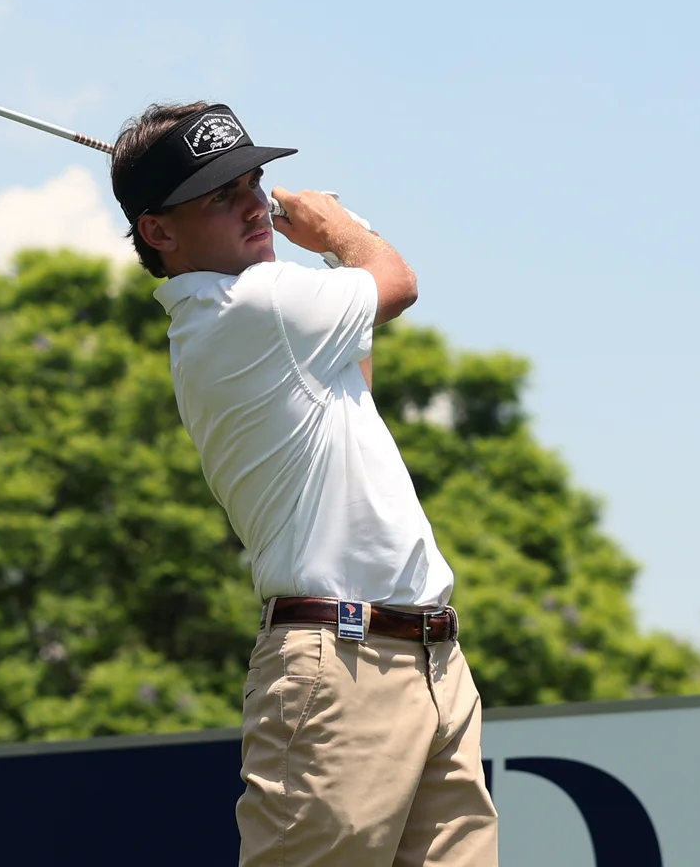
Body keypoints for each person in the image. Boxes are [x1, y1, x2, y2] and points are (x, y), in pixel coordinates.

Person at [110, 100, 500, 867]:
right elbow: (398, 281)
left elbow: (357, 367)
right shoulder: (248, 308)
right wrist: (334, 230)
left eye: (254, 182)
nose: (253, 203)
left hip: (426, 657)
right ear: (159, 231)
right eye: (222, 196)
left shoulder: (272, 314)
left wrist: (325, 250)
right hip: (339, 664)